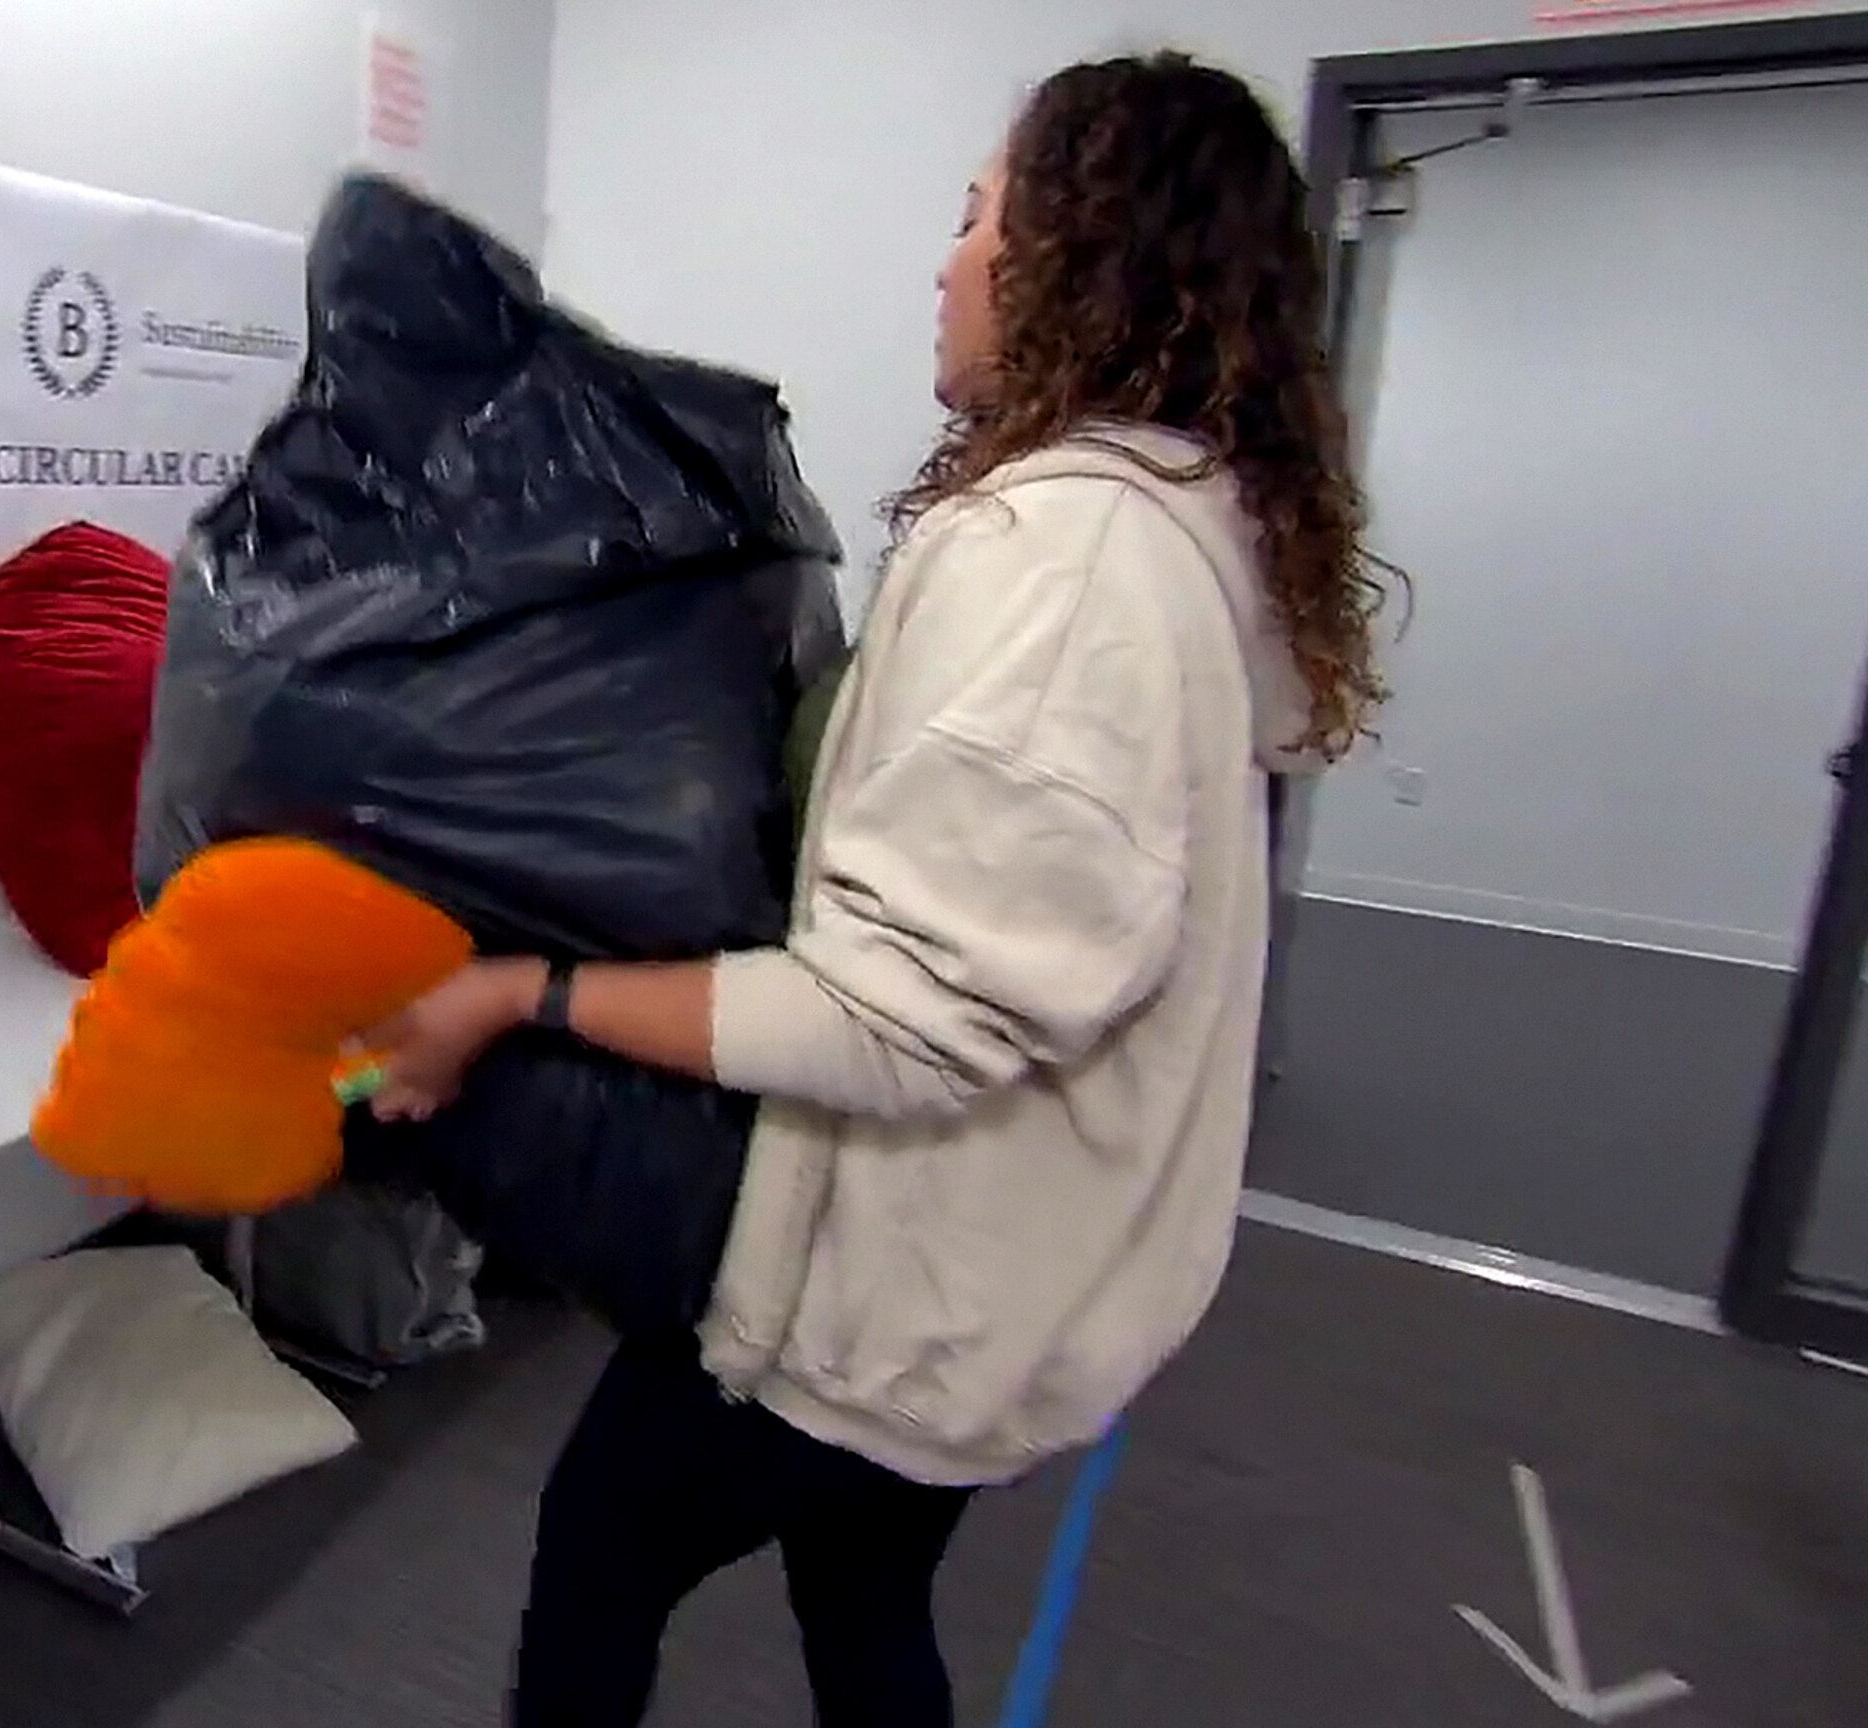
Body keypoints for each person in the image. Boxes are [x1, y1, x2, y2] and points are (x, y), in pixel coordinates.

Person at [363, 51, 1394, 1728]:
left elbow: (904, 1018)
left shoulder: (1058, 561)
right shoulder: (1189, 533)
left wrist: (514, 993)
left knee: (604, 1546)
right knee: (862, 1586)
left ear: (1082, 256)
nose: (948, 261)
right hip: (1016, 1289)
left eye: (980, 216)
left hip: (907, 1305)